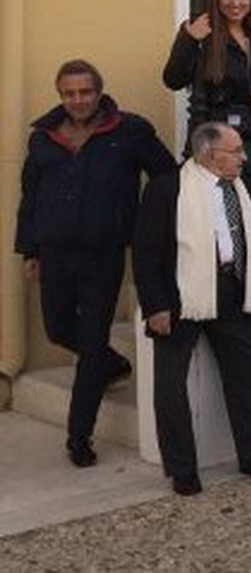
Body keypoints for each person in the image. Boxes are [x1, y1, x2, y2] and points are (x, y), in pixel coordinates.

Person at [17, 60, 175, 467]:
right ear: (60, 95)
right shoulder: (43, 138)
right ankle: (112, 363)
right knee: (58, 328)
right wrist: (30, 251)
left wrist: (144, 226)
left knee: (89, 340)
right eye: (69, 93)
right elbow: (30, 198)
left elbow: (166, 177)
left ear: (98, 92)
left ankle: (78, 436)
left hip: (103, 254)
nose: (77, 100)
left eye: (84, 92)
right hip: (54, 252)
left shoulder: (130, 131)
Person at [132, 123, 251, 495]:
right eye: (236, 150)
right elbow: (146, 252)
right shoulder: (168, 189)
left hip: (234, 292)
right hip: (181, 297)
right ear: (209, 154)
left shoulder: (240, 189)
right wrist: (155, 305)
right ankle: (182, 468)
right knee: (170, 386)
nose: (244, 157)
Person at [162, 0, 251, 202]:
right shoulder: (201, 31)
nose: (235, 3)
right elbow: (173, 79)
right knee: (217, 206)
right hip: (214, 139)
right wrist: (188, 39)